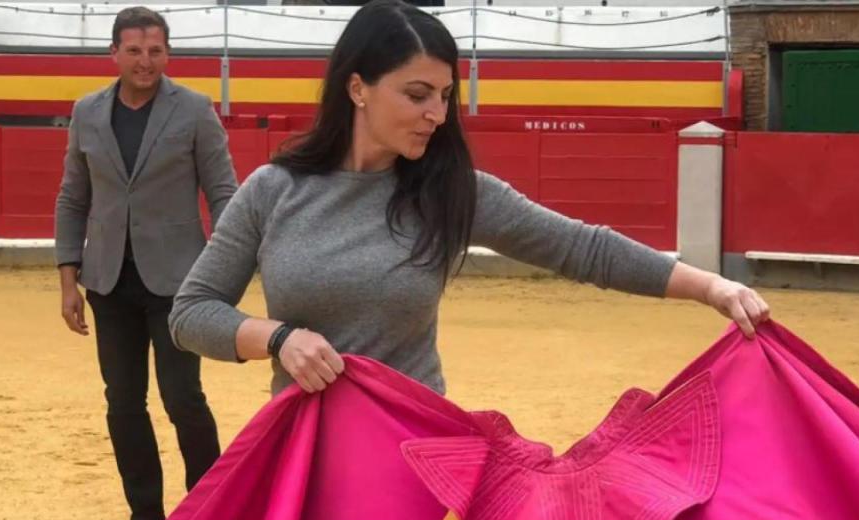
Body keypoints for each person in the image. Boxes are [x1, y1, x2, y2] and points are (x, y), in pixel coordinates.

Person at [168, 0, 768, 399]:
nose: (438, 113)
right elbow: (192, 313)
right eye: (417, 94)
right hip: (302, 452)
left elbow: (584, 249)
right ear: (357, 88)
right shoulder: (274, 190)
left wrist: (713, 287)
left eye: (446, 95)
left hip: (413, 448)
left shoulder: (452, 191)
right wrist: (276, 338)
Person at [54, 6, 238, 520]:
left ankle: (207, 512)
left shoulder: (196, 110)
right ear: (114, 53)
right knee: (123, 402)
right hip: (109, 279)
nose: (145, 61)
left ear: (168, 54)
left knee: (183, 398)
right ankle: (145, 516)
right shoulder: (87, 112)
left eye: (155, 50)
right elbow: (73, 197)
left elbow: (225, 192)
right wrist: (68, 280)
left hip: (180, 282)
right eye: (134, 50)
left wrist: (223, 271)